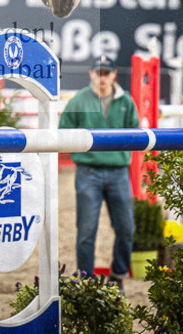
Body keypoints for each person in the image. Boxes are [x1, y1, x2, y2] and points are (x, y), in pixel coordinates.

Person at [58, 54, 140, 289]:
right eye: (99, 73)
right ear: (91, 74)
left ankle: (118, 276)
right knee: (86, 231)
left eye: (106, 73)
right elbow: (63, 130)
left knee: (126, 228)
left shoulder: (127, 102)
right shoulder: (78, 101)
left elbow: (136, 132)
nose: (102, 77)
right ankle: (86, 281)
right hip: (88, 171)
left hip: (118, 172)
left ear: (114, 75)